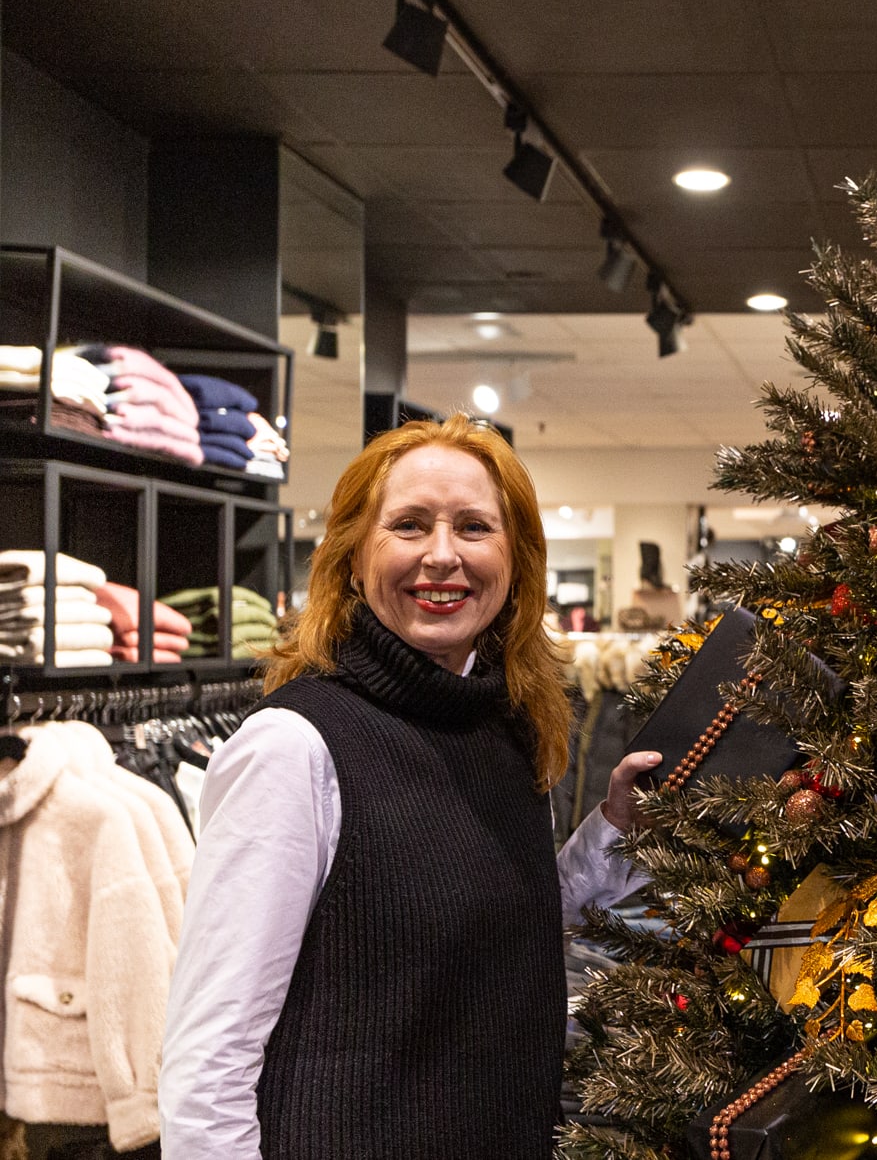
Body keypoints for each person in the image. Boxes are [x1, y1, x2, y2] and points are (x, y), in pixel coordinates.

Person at [159, 415, 664, 1159]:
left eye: (474, 527)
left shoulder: (507, 727)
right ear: (352, 558)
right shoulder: (293, 746)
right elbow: (209, 1057)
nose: (442, 555)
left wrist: (612, 830)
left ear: (515, 563)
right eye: (409, 525)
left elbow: (494, 925)